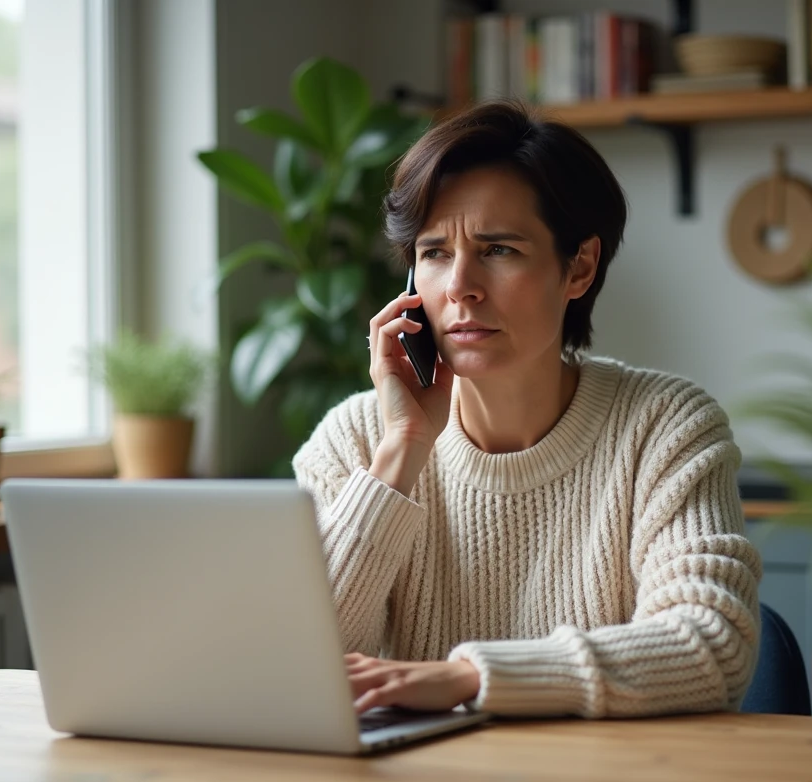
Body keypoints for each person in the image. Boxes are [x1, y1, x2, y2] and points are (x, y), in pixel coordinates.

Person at [293, 100, 761, 719]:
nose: (461, 284)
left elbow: (712, 646)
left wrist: (468, 677)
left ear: (579, 267)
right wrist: (402, 450)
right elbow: (297, 662)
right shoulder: (355, 440)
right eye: (433, 253)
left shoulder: (664, 427)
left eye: (499, 249)